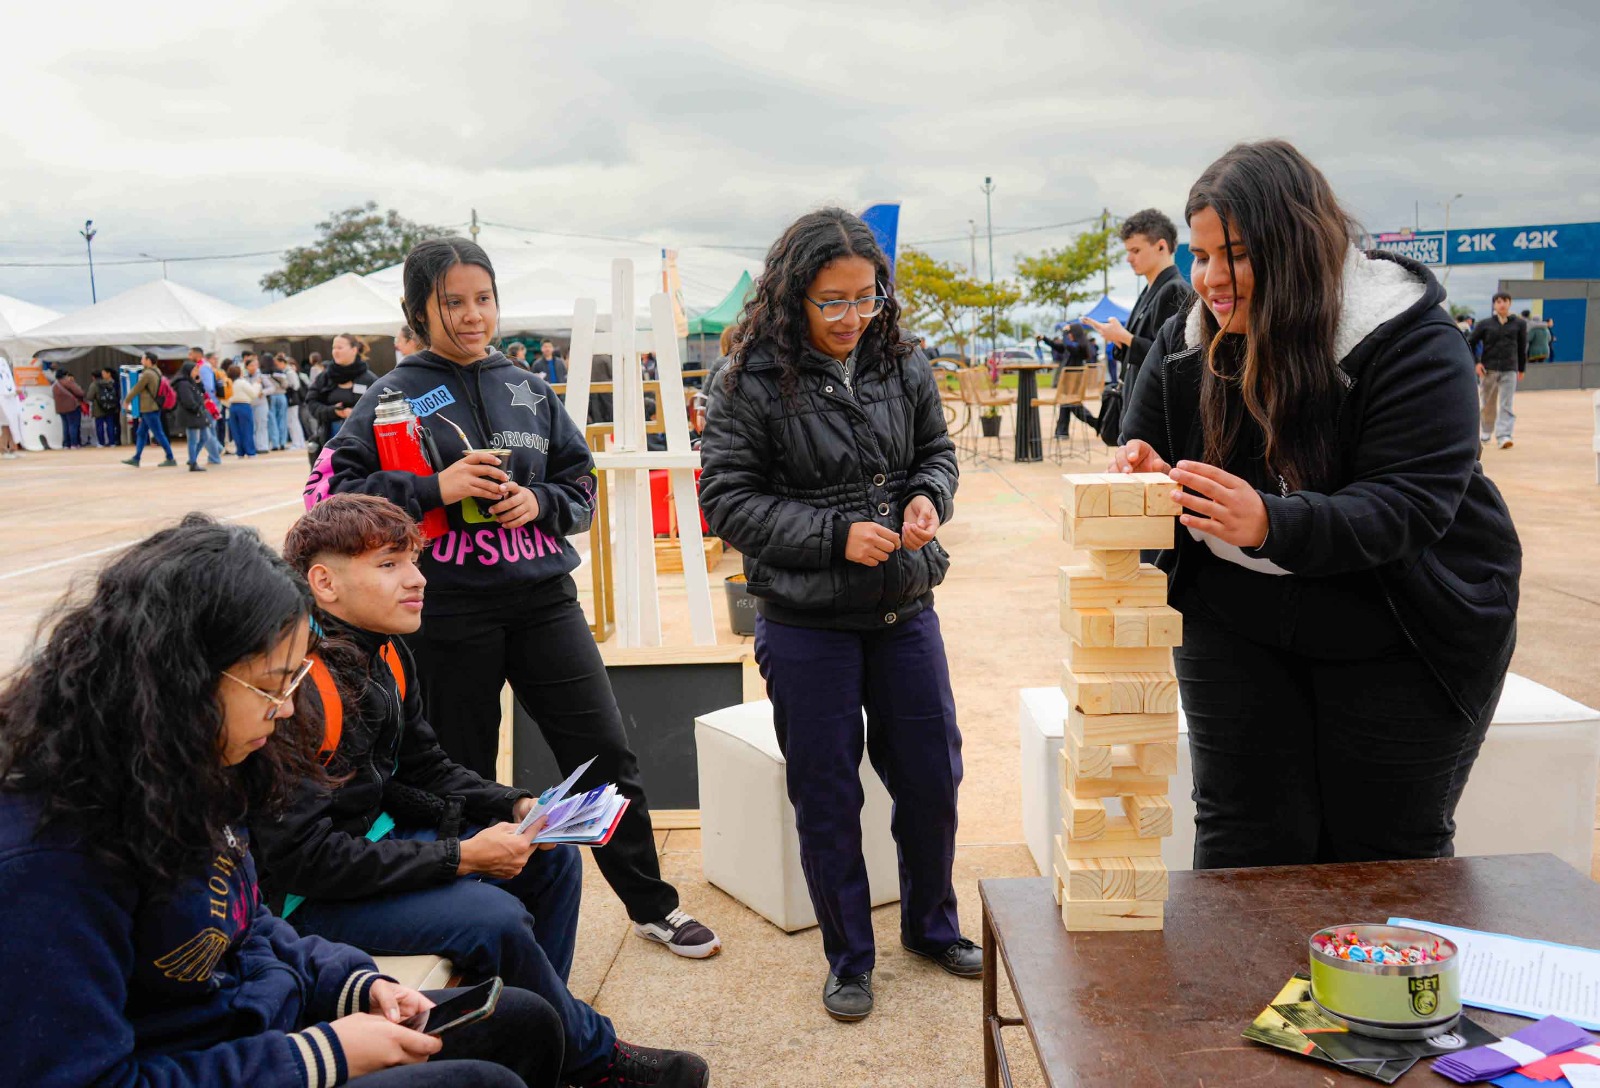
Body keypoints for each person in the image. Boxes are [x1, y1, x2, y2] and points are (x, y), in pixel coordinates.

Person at [0, 514, 566, 1088]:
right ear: (180, 679)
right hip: (234, 1059)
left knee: (522, 1023)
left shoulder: (186, 763)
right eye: (272, 687)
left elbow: (243, 922)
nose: (289, 709)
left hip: (260, 1027)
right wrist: (320, 1056)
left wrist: (354, 984)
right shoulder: (47, 864)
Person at [1113, 139, 1520, 871]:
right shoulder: (1185, 341)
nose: (1208, 279)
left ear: (1296, 246)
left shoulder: (1410, 338)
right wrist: (1143, 476)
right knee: (1245, 843)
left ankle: (1377, 987)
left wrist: (1274, 522)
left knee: (1379, 853)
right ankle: (1241, 991)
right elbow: (1143, 444)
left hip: (1398, 621)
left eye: (1232, 255)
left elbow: (1412, 503)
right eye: (1200, 256)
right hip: (1236, 620)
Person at [312, 237, 719, 960]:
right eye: (454, 302)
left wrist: (540, 501)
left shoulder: (529, 386)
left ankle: (652, 905)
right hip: (446, 614)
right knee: (457, 769)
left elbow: (581, 485)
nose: (474, 316)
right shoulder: (389, 396)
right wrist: (434, 490)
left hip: (543, 602)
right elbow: (330, 496)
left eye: (484, 299)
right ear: (418, 310)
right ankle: (485, 916)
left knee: (602, 754)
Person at [261, 494, 711, 1088]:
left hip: (366, 851)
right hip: (302, 900)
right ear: (324, 582)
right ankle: (590, 1059)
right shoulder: (301, 688)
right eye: (389, 565)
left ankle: (546, 1032)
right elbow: (300, 859)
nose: (418, 580)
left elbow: (425, 768)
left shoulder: (387, 651)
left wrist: (518, 806)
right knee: (492, 917)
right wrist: (462, 856)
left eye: (415, 561)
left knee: (551, 865)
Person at [697, 208, 976, 1022]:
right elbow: (726, 499)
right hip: (804, 622)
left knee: (932, 778)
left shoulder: (903, 358)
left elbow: (938, 453)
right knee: (827, 794)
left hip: (904, 606)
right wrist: (831, 535)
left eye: (868, 297)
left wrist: (929, 498)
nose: (855, 318)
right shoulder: (746, 379)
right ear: (793, 297)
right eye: (834, 302)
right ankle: (849, 956)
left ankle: (932, 927)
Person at [1083, 208, 1194, 430]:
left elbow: (1172, 359)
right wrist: (1119, 338)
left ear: (1161, 246)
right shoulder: (1151, 289)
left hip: (1155, 415)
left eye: (1135, 250)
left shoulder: (1173, 290)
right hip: (1139, 404)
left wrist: (1125, 338)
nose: (1129, 258)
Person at [1467, 291, 1528, 450]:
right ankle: (1486, 431)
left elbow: (1522, 347)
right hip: (1489, 369)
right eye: (1499, 301)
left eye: (1505, 301)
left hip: (1510, 368)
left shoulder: (1519, 324)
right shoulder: (1485, 324)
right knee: (1487, 403)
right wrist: (1476, 363)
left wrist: (1521, 368)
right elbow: (1470, 343)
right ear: (1494, 305)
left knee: (1506, 404)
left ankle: (1504, 435)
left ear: (1510, 303)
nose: (1502, 304)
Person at [306, 334, 379, 465]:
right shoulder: (325, 377)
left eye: (340, 347)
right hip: (329, 438)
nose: (335, 351)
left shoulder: (369, 379)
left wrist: (356, 414)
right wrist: (333, 411)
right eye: (334, 347)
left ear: (354, 350)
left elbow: (378, 406)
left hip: (361, 440)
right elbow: (311, 402)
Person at [121, 351, 178, 467]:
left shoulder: (147, 374)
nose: (141, 361)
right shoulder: (157, 372)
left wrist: (126, 400)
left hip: (149, 407)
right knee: (141, 433)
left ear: (148, 361)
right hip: (153, 406)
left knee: (159, 434)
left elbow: (136, 388)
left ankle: (170, 457)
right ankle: (136, 458)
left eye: (143, 359)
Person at [173, 360, 213, 472]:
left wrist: (199, 382)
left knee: (205, 436)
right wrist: (196, 408)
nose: (197, 371)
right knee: (193, 439)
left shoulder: (191, 381)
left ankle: (192, 458)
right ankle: (193, 462)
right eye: (195, 369)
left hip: (198, 413)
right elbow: (188, 401)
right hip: (190, 414)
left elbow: (202, 392)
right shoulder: (183, 383)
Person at [228, 361, 262, 458]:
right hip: (244, 406)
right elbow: (253, 393)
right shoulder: (242, 382)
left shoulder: (228, 383)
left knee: (236, 430)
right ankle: (250, 451)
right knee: (247, 429)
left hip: (232, 406)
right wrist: (257, 384)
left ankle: (240, 452)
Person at [49, 367, 89, 448]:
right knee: (73, 425)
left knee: (65, 426)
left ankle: (66, 444)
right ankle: (74, 443)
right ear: (65, 375)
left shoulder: (54, 385)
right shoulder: (68, 382)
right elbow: (80, 393)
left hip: (60, 408)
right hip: (72, 407)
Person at [279, 353, 309, 450]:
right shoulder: (288, 372)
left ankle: (297, 443)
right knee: (294, 421)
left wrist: (286, 385)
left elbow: (295, 386)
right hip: (293, 399)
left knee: (292, 422)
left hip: (292, 399)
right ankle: (299, 442)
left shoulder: (289, 372)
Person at [87, 367, 122, 447]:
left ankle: (101, 442)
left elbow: (89, 397)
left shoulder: (94, 384)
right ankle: (112, 442)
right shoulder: (108, 383)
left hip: (98, 408)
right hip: (110, 407)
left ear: (93, 377)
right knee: (110, 425)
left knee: (100, 425)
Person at [263, 354, 291, 451]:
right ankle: (282, 442)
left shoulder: (263, 372)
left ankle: (275, 443)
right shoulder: (279, 371)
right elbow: (286, 384)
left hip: (270, 397)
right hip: (281, 396)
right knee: (282, 419)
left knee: (272, 420)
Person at [0, 354, 24, 459]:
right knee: (5, 425)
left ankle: (13, 448)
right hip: (3, 398)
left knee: (13, 424)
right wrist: (11, 392)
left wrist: (13, 391)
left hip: (11, 398)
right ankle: (3, 449)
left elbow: (8, 381)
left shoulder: (3, 362)